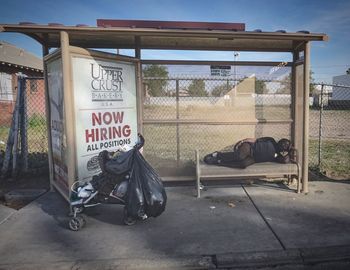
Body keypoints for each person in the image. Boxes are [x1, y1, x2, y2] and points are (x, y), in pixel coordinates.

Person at [204, 137, 292, 169]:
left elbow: (285, 160)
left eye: (286, 146)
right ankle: (217, 154)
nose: (284, 145)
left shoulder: (277, 156)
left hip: (253, 159)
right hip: (249, 147)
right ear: (280, 140)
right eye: (284, 142)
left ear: (285, 150)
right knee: (240, 156)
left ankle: (219, 162)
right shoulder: (271, 140)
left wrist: (289, 150)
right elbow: (255, 139)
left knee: (243, 164)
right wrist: (243, 141)